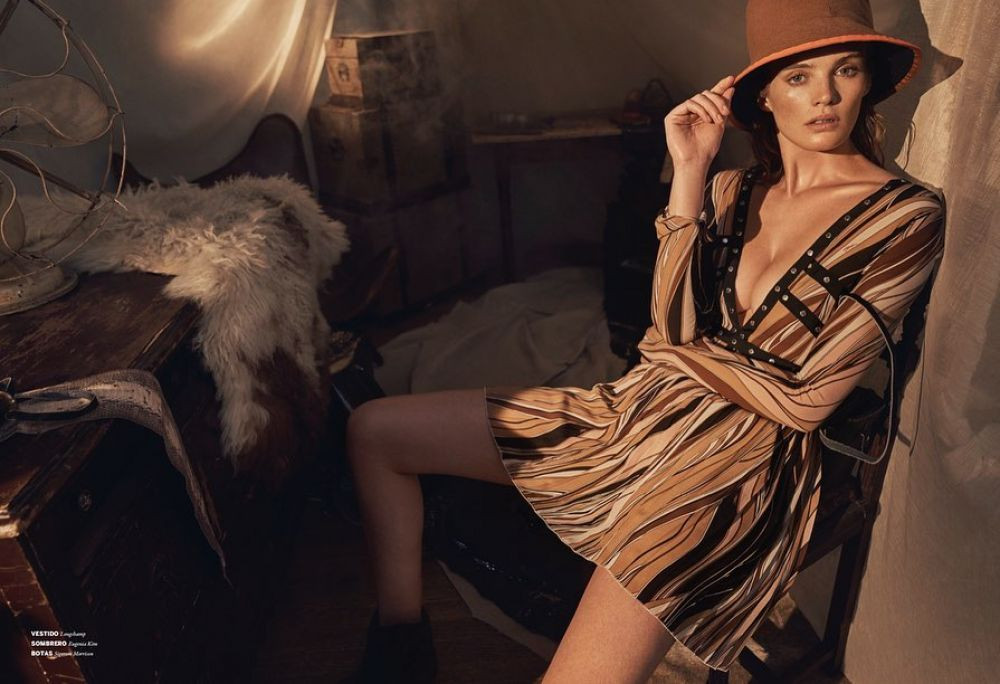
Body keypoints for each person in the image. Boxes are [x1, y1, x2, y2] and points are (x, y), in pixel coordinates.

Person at [341, 0, 945, 681]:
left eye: (846, 69)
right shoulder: (729, 190)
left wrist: (679, 356)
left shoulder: (904, 216)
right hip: (637, 410)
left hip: (735, 463)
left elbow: (805, 401)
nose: (826, 95)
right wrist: (688, 172)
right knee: (375, 431)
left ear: (868, 82)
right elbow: (671, 324)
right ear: (763, 94)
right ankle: (402, 652)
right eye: (800, 76)